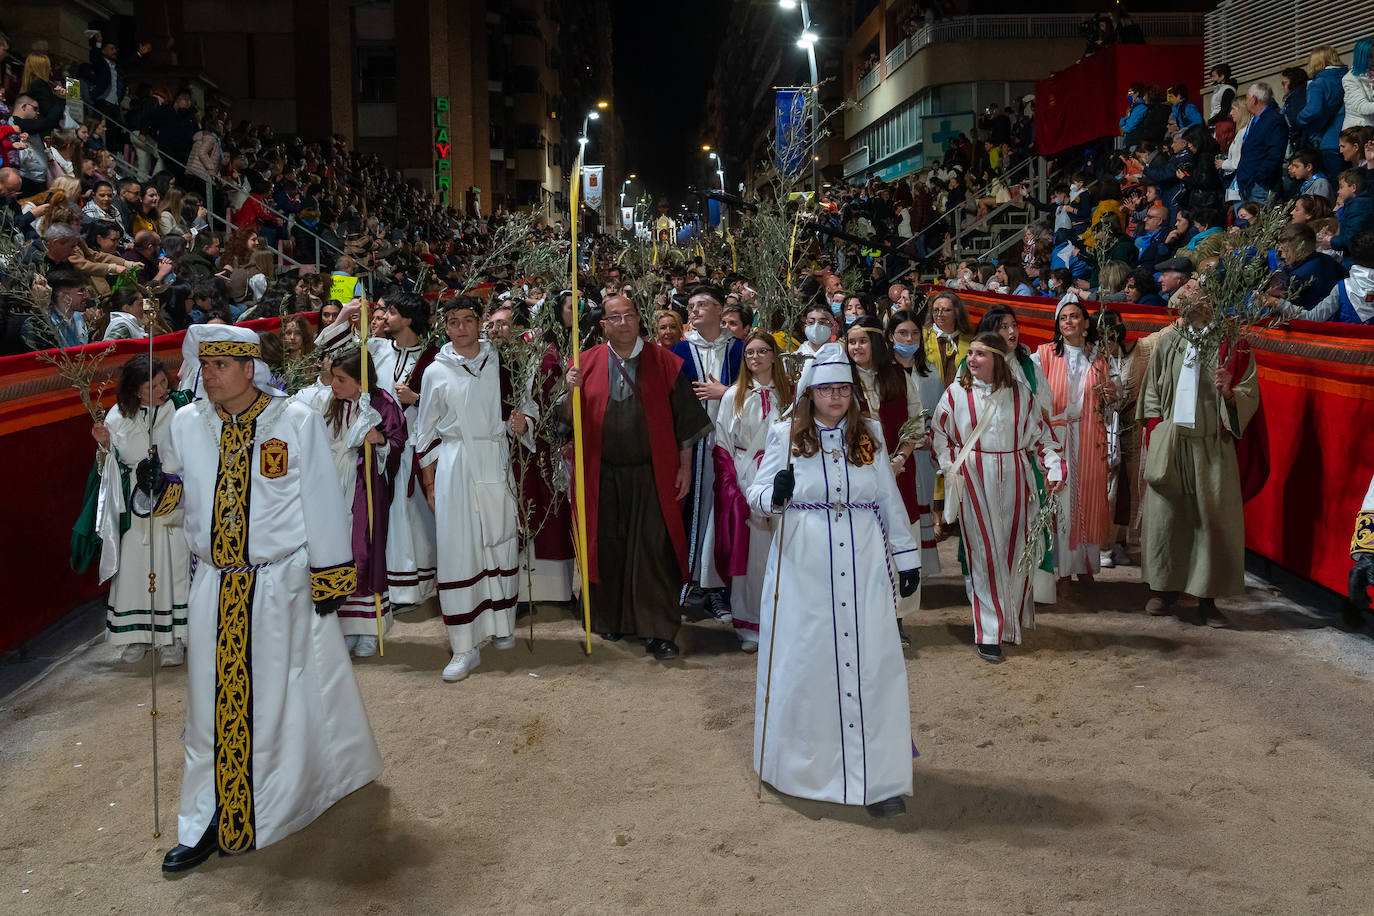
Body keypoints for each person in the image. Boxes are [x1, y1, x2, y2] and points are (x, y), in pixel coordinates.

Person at [142, 324, 380, 872]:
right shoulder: (186, 423)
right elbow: (179, 504)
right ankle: (207, 817)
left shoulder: (294, 421)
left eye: (222, 365)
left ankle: (274, 805)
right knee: (209, 707)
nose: (211, 375)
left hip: (281, 585)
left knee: (280, 701)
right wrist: (158, 489)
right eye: (205, 365)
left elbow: (321, 498)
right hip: (214, 586)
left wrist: (329, 578)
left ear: (250, 369)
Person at [747, 341, 920, 817]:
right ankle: (805, 769)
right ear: (810, 391)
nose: (837, 396)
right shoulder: (785, 433)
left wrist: (907, 557)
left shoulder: (869, 435)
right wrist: (774, 496)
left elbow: (886, 494)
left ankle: (879, 778)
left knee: (873, 662)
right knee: (810, 661)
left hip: (863, 560)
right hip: (804, 565)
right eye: (827, 388)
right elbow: (758, 495)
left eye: (844, 388)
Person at [561, 295, 712, 660]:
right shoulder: (585, 363)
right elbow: (568, 420)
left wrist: (684, 466)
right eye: (616, 317)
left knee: (653, 551)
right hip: (603, 473)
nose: (624, 322)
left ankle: (658, 629)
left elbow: (685, 422)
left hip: (652, 473)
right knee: (608, 546)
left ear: (639, 318)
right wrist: (570, 389)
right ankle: (610, 619)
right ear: (603, 325)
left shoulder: (666, 362)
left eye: (630, 315)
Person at [933, 333, 1064, 661]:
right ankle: (988, 631)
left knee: (1016, 549)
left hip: (1017, 477)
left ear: (997, 360)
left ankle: (1011, 621)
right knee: (984, 553)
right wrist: (951, 467)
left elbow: (1041, 436)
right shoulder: (955, 394)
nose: (972, 359)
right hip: (974, 477)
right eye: (971, 353)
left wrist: (1053, 468)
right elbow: (939, 432)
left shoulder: (1021, 394)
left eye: (979, 354)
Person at [415, 297, 525, 681]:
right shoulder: (435, 372)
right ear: (444, 327)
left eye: (468, 320)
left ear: (480, 323)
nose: (461, 327)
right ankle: (464, 646)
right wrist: (429, 483)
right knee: (459, 549)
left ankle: (502, 625)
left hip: (494, 456)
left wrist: (522, 421)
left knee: (500, 539)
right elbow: (424, 431)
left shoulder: (503, 361)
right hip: (456, 463)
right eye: (453, 321)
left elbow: (523, 405)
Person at [1137, 294, 1261, 624]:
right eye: (1193, 296)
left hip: (1213, 446)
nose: (1199, 303)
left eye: (1207, 298)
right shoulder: (1169, 342)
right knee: (1167, 519)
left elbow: (1250, 394)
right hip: (1173, 443)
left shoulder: (1234, 346)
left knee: (1212, 522)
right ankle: (1164, 590)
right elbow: (1151, 391)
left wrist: (1229, 393)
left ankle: (1208, 598)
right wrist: (1156, 429)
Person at [319, 292, 439, 609]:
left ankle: (414, 585)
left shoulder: (433, 358)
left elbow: (445, 404)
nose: (384, 316)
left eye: (393, 312)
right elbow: (333, 357)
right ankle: (387, 586)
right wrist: (345, 315)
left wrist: (416, 399)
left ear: (410, 319)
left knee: (411, 515)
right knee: (381, 515)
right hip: (377, 447)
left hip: (415, 443)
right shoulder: (376, 348)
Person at [90, 356, 190, 666]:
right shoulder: (117, 417)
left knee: (172, 565)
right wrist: (105, 447)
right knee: (135, 567)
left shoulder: (181, 407)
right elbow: (107, 467)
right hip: (135, 503)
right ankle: (137, 635)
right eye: (153, 386)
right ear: (136, 390)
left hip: (173, 496)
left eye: (163, 382)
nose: (162, 389)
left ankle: (173, 638)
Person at [321, 347, 408, 657]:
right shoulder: (333, 405)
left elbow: (398, 440)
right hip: (335, 486)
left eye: (341, 379)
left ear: (360, 381)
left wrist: (380, 440)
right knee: (340, 552)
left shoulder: (381, 404)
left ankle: (370, 627)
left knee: (364, 551)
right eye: (333, 378)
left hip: (365, 485)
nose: (334, 384)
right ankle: (347, 625)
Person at [847, 316, 928, 638]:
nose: (856, 348)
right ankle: (863, 617)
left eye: (863, 341)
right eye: (852, 342)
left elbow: (916, 422)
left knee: (899, 537)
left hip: (899, 472)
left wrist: (899, 458)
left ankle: (896, 617)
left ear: (876, 344)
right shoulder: (841, 380)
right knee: (862, 545)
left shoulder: (898, 375)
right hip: (857, 476)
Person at [712, 331, 790, 652]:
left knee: (782, 549)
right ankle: (750, 624)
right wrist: (731, 488)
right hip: (747, 479)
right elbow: (722, 443)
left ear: (774, 355)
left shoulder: (790, 395)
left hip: (782, 478)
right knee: (752, 555)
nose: (755, 358)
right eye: (749, 353)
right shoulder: (734, 395)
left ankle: (782, 621)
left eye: (762, 351)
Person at [671, 286, 745, 617]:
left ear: (720, 310)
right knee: (696, 513)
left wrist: (725, 393)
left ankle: (722, 587)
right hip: (694, 449)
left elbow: (763, 394)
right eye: (690, 306)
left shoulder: (742, 350)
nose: (694, 310)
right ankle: (694, 583)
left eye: (702, 304)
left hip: (734, 446)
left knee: (726, 516)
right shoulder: (679, 352)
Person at [1032, 297, 1113, 582]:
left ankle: (1085, 566)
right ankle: (1060, 568)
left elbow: (1110, 402)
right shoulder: (1042, 355)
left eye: (1074, 316)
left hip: (1091, 437)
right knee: (1060, 498)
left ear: (1086, 323)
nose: (1068, 322)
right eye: (1063, 317)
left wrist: (1112, 395)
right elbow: (1031, 392)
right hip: (1058, 438)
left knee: (1089, 498)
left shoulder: (1100, 357)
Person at [1277, 230, 1374, 324]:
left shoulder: (1342, 288)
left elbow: (1312, 317)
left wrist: (1278, 303)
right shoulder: (1334, 273)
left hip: (1347, 339)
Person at [923, 290, 973, 388]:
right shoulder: (922, 336)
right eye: (936, 310)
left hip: (961, 395)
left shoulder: (970, 340)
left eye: (946, 310)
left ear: (957, 312)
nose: (940, 314)